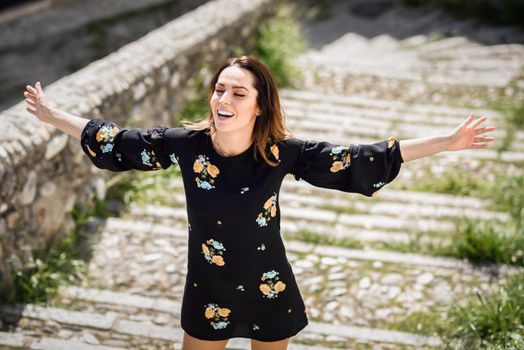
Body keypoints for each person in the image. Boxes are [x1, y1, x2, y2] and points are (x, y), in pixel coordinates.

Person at [24, 55, 496, 350]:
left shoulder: (280, 153)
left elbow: (357, 159)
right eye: (219, 89)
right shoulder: (186, 146)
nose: (222, 98)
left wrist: (446, 141)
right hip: (207, 287)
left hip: (269, 285)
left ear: (259, 106)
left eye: (237, 92)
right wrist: (50, 114)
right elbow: (117, 141)